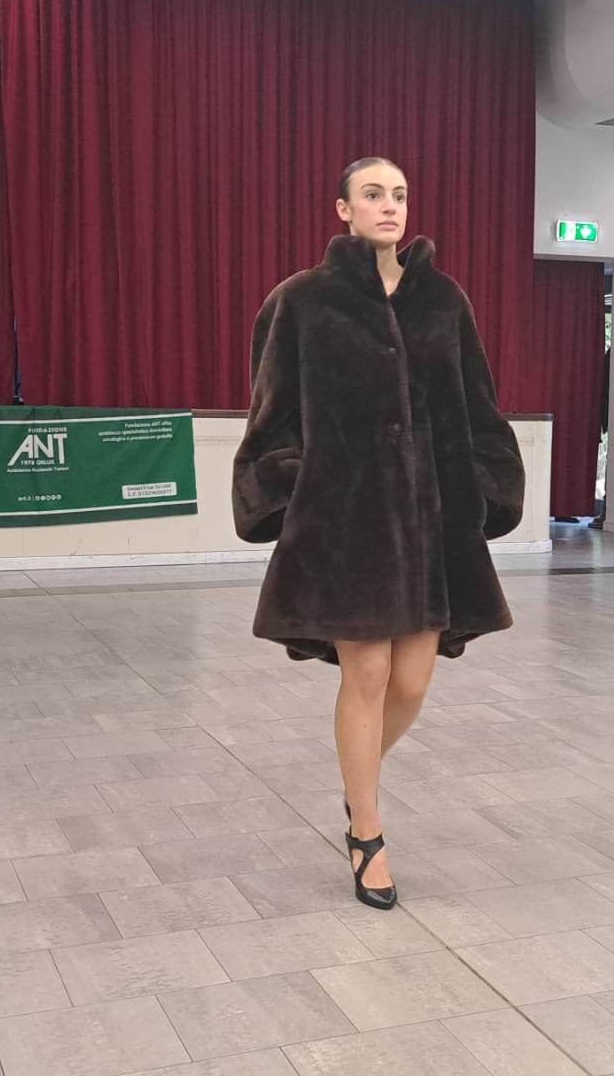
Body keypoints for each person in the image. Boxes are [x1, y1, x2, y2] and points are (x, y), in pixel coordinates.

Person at [233, 157, 524, 910]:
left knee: (413, 682)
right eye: (372, 194)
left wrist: (488, 484)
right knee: (363, 676)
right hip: (345, 521)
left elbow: (478, 403)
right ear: (343, 209)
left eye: (398, 194)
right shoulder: (301, 301)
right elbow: (272, 413)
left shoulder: (443, 299)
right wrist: (295, 489)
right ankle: (367, 830)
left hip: (432, 521)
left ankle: (354, 779)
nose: (389, 205)